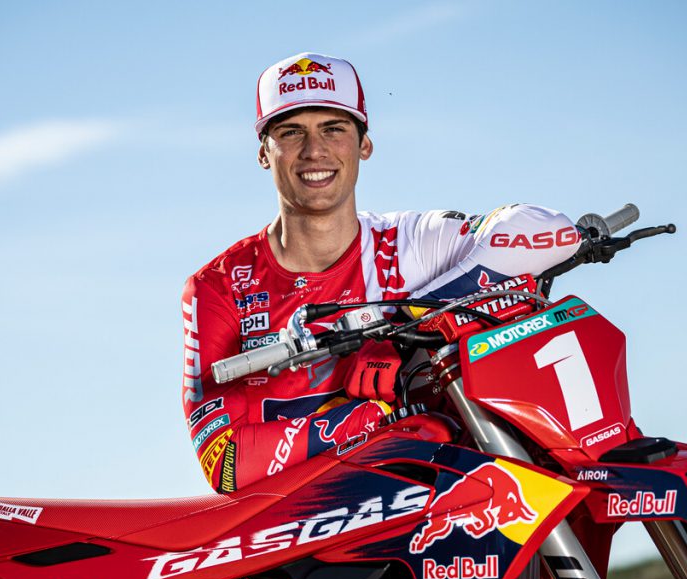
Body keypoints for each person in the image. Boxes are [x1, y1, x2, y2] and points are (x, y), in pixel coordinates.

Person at [182, 52, 581, 493]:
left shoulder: (410, 242)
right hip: (298, 522)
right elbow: (225, 463)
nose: (314, 151)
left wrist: (403, 327)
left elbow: (553, 232)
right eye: (291, 132)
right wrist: (377, 417)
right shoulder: (218, 286)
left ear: (364, 145)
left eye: (334, 129)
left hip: (435, 498)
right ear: (264, 153)